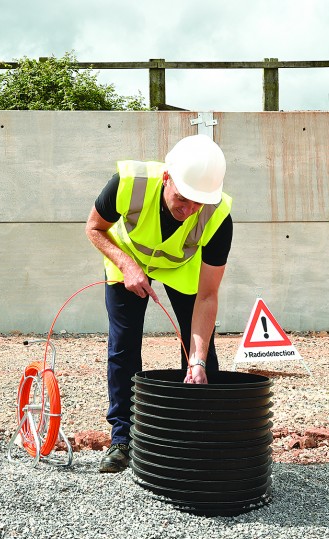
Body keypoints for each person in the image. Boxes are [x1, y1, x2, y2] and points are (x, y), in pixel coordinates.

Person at [85, 134, 234, 473]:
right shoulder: (129, 183)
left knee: (200, 354)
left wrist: (197, 360)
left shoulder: (218, 214)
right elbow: (94, 228)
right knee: (123, 345)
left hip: (182, 266)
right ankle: (122, 439)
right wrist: (126, 265)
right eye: (183, 199)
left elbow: (208, 295)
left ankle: (196, 437)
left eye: (199, 203)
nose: (190, 211)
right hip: (129, 259)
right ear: (167, 178)